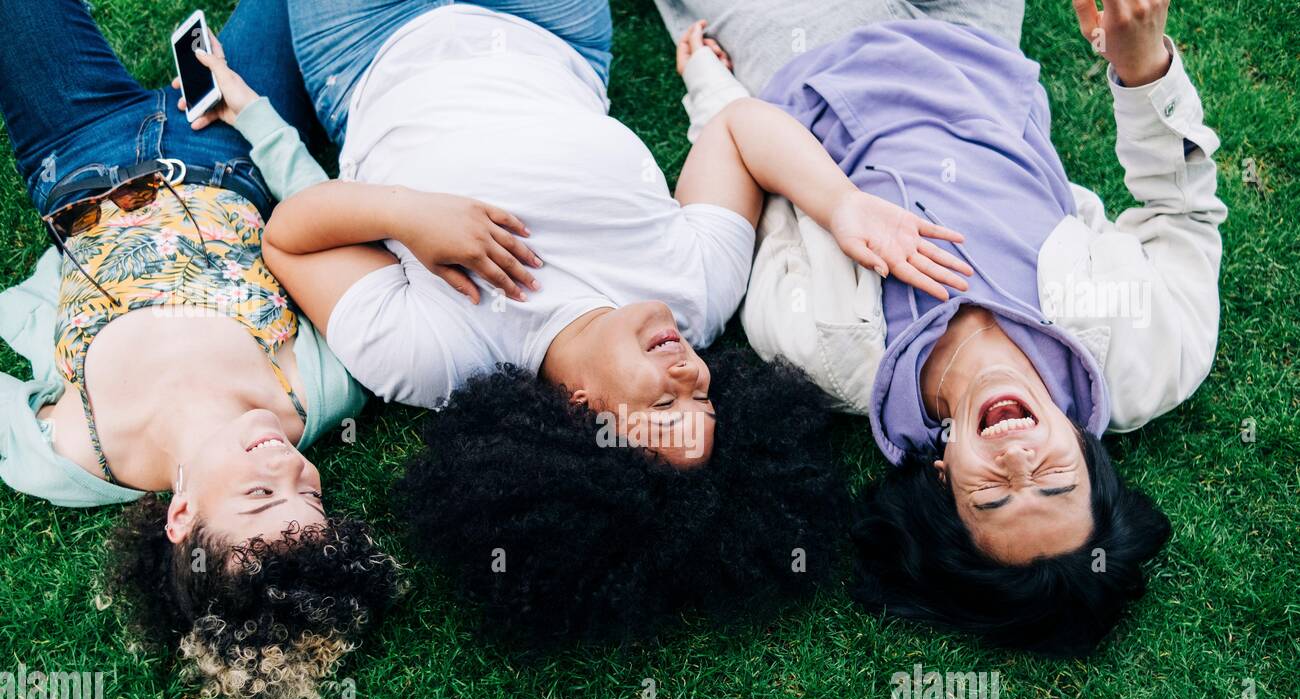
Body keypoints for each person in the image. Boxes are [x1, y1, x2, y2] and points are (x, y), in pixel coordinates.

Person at [263, 0, 968, 642]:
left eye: (665, 400)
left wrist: (405, 213)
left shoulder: (438, 356)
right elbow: (738, 131)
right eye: (704, 396)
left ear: (583, 415)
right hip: (552, 28)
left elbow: (288, 238)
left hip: (372, 42)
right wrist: (841, 204)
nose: (692, 371)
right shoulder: (697, 292)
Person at [661, 0, 1223, 652]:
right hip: (978, 50)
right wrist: (1143, 68)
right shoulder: (1151, 358)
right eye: (1057, 482)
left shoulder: (821, 347)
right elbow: (1182, 217)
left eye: (993, 497)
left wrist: (713, 89)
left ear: (942, 477)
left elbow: (750, 181)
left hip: (811, 58)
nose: (1019, 460)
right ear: (1089, 460)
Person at [0, 0, 403, 699]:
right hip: (229, 143)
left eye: (259, 496)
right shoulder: (324, 391)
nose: (287, 466)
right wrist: (256, 118)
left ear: (181, 516)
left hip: (77, 153)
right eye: (311, 494)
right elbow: (329, 222)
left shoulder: (66, 455)